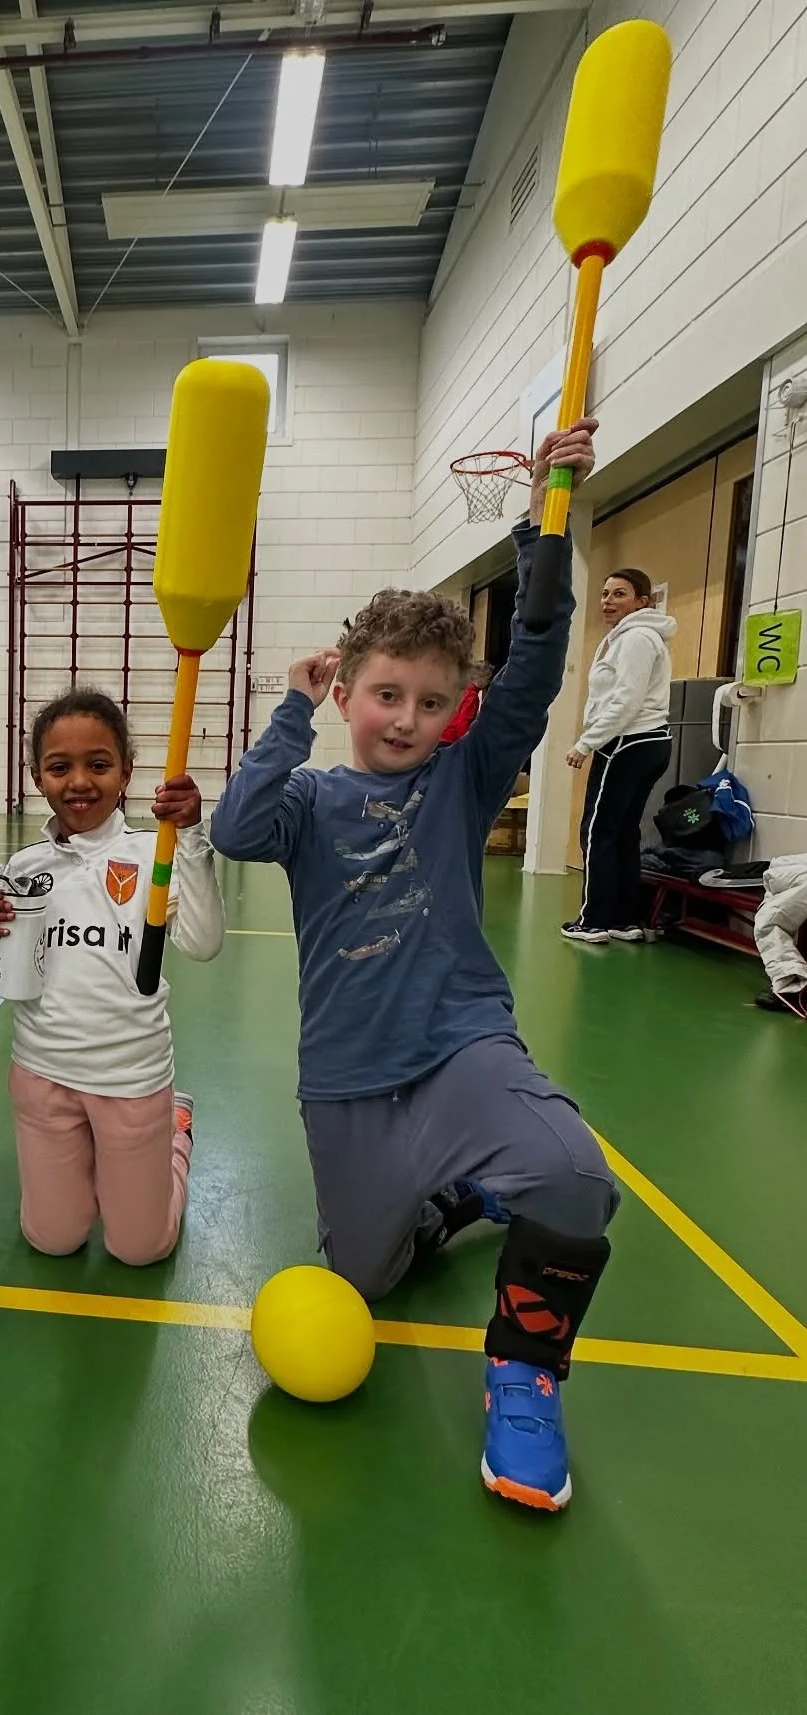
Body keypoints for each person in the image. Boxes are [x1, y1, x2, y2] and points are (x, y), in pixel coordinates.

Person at [210, 420, 617, 1513]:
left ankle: (524, 1375)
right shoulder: (309, 799)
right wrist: (288, 710)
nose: (408, 718)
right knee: (364, 1277)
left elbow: (535, 667)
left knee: (576, 1178)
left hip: (457, 1045)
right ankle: (458, 1195)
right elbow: (235, 828)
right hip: (347, 1075)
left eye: (433, 702)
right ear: (347, 690)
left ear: (453, 713)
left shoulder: (462, 778)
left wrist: (547, 521)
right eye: (387, 693)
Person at [0, 688, 224, 1266]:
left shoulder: (154, 853)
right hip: (43, 1072)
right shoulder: (24, 868)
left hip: (131, 1076)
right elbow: (11, 976)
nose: (79, 782)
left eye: (99, 764)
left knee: (140, 1248)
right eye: (59, 767)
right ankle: (92, 1163)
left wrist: (191, 837)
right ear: (37, 777)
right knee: (53, 1239)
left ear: (126, 773)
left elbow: (204, 944)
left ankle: (175, 1132)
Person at [561, 567, 676, 944]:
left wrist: (586, 742)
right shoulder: (631, 636)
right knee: (623, 831)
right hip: (646, 742)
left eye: (620, 594)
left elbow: (626, 700)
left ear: (643, 601)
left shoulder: (636, 638)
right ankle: (624, 920)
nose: (608, 601)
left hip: (628, 743)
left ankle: (592, 921)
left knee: (597, 831)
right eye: (605, 593)